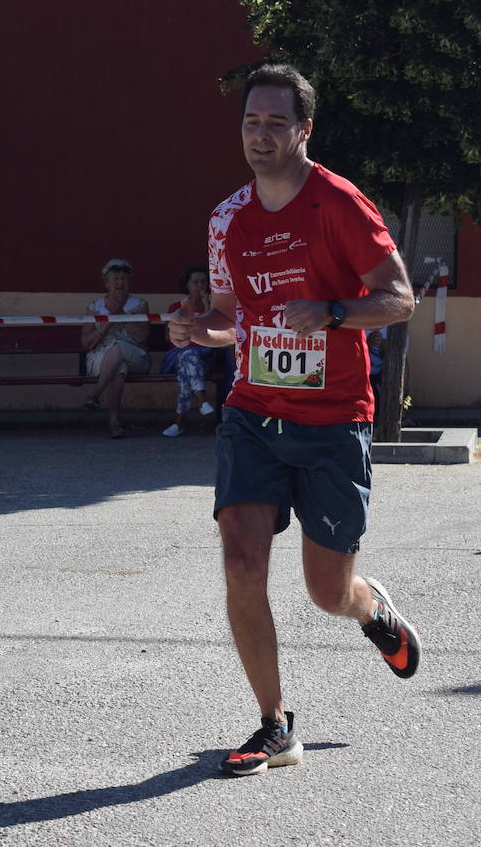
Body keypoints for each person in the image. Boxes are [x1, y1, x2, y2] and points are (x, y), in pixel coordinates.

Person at [168, 63, 420, 777]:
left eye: (277, 123)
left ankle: (370, 609)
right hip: (253, 411)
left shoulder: (340, 204)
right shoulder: (226, 218)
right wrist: (198, 330)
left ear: (304, 130)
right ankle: (274, 725)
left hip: (335, 419)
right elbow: (228, 320)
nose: (261, 135)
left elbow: (399, 298)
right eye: (252, 121)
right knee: (241, 562)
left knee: (325, 591)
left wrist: (334, 312)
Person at [80, 258, 151, 438]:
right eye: (116, 279)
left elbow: (142, 337)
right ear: (106, 283)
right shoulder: (94, 307)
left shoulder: (139, 305)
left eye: (124, 279)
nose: (120, 283)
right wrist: (103, 328)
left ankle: (95, 394)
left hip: (136, 356)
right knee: (118, 366)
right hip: (99, 358)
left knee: (119, 347)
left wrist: (119, 315)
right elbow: (86, 343)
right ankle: (114, 422)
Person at [161, 264, 218, 437]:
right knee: (188, 355)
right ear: (187, 285)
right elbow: (167, 337)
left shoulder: (213, 306)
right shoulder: (176, 307)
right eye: (195, 282)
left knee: (187, 367)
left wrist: (208, 307)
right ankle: (202, 400)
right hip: (178, 355)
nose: (200, 286)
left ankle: (180, 422)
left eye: (203, 282)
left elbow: (215, 333)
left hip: (205, 357)